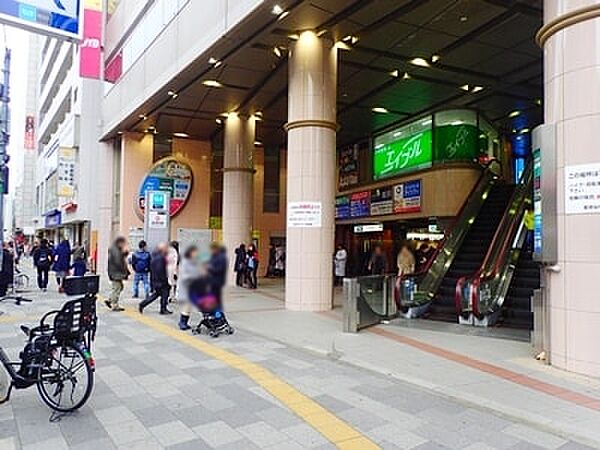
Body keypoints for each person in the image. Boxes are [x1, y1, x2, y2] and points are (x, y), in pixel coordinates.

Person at [139, 243, 172, 315]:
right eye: (166, 248)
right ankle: (163, 309)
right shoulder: (161, 258)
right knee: (164, 294)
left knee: (156, 295)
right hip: (160, 281)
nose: (167, 250)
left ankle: (143, 304)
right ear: (162, 249)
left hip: (155, 280)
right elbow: (160, 270)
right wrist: (165, 281)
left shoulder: (155, 256)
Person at [177, 245, 200, 330]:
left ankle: (184, 322)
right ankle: (182, 322)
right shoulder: (186, 262)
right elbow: (185, 275)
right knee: (186, 306)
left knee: (188, 306)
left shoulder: (194, 262)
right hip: (186, 288)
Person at [107, 236, 129, 312]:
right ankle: (114, 305)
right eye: (123, 243)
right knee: (117, 288)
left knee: (119, 287)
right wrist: (125, 272)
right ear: (119, 243)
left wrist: (124, 254)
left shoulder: (115, 249)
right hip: (115, 273)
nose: (124, 245)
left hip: (115, 273)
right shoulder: (115, 250)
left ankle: (110, 300)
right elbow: (118, 262)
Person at [208, 242, 228, 307]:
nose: (211, 251)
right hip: (212, 280)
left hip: (218, 281)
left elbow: (220, 269)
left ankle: (219, 314)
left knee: (216, 297)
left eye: (212, 249)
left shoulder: (222, 257)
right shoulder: (213, 256)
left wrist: (210, 269)